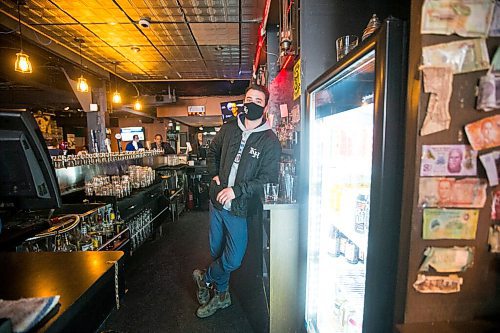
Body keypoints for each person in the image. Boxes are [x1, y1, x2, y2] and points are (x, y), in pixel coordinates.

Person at [193, 84, 281, 318]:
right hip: (217, 203)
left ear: (264, 107)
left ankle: (206, 277)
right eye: (248, 98)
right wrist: (214, 175)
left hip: (239, 208)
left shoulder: (270, 140)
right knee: (216, 249)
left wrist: (237, 190)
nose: (251, 103)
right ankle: (222, 296)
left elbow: (268, 178)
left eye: (257, 101)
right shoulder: (229, 128)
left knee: (232, 259)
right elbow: (212, 152)